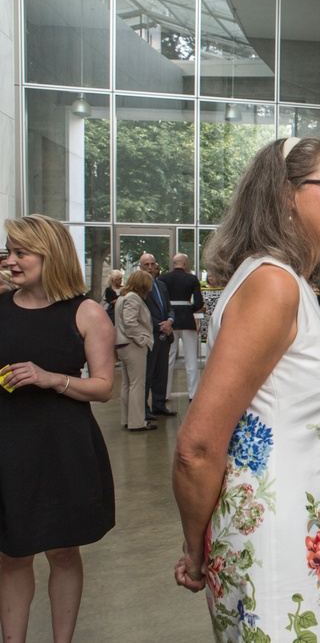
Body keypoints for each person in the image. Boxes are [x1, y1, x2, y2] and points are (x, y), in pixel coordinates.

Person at [172, 136, 320, 641]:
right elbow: (197, 447)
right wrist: (196, 549)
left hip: (304, 547)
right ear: (285, 195)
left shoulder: (288, 283)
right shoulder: (273, 285)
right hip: (278, 558)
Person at [0, 214, 116, 643]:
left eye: (20, 252)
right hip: (8, 445)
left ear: (50, 255)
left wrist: (51, 378)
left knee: (63, 551)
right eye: (8, 252)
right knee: (12, 553)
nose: (10, 261)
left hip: (63, 446)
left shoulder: (86, 312)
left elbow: (104, 387)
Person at [159, 253, 204, 401]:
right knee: (191, 358)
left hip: (169, 320)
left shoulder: (163, 279)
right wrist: (187, 309)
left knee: (169, 358)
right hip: (186, 319)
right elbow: (198, 302)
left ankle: (164, 393)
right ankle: (193, 393)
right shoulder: (191, 279)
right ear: (185, 263)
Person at [115, 270, 155, 431]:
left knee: (127, 384)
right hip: (133, 345)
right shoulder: (134, 298)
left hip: (122, 345)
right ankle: (137, 422)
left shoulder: (121, 297)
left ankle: (127, 419)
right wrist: (141, 340)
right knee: (138, 384)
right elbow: (130, 322)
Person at [139, 253, 175, 420]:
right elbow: (142, 313)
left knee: (162, 372)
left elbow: (169, 307)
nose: (150, 268)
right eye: (146, 264)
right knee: (148, 373)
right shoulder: (140, 288)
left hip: (165, 336)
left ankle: (159, 405)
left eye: (153, 264)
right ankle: (144, 409)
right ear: (141, 267)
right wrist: (160, 325)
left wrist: (170, 320)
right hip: (150, 335)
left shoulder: (161, 286)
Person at [198, 272, 224, 358]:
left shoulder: (224, 289)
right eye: (209, 276)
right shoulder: (202, 289)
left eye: (213, 276)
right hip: (207, 318)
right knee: (209, 342)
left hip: (219, 317)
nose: (211, 278)